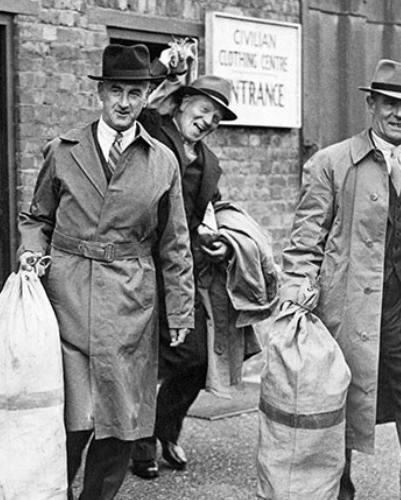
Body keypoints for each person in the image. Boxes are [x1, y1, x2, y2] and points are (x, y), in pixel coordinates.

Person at [280, 58, 401, 500]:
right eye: (390, 103)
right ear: (371, 104)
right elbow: (304, 242)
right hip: (343, 315)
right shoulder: (332, 163)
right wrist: (295, 299)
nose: (400, 114)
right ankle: (337, 494)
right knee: (334, 416)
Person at [18, 43, 195, 500]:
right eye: (115, 90)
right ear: (100, 94)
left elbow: (175, 243)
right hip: (68, 296)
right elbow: (37, 218)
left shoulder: (162, 161)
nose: (123, 102)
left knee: (120, 425)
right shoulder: (63, 151)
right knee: (69, 422)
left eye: (135, 93)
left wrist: (180, 312)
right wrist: (30, 252)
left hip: (130, 302)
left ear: (147, 96)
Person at [130, 44, 239, 479]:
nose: (208, 120)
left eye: (216, 116)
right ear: (183, 101)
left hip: (186, 266)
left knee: (194, 357)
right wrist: (161, 67)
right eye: (204, 108)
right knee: (143, 357)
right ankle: (139, 447)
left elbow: (212, 208)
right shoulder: (153, 129)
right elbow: (136, 100)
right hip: (139, 261)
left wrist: (223, 240)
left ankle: (165, 428)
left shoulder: (209, 160)